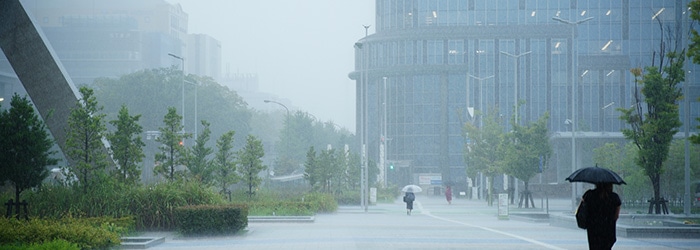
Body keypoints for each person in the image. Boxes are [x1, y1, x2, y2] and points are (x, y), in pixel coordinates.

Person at [582, 183, 621, 250]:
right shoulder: (614, 197)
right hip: (609, 230)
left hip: (593, 229)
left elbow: (582, 209)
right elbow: (616, 216)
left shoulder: (589, 194)